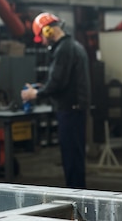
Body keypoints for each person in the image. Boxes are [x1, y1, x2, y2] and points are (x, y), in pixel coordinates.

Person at [21, 12, 91, 189]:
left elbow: (57, 83)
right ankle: (77, 195)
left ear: (47, 32)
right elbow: (62, 80)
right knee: (75, 156)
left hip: (70, 111)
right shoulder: (73, 46)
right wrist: (41, 86)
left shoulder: (63, 50)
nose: (43, 43)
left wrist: (34, 94)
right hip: (75, 109)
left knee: (72, 158)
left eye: (41, 38)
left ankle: (76, 199)